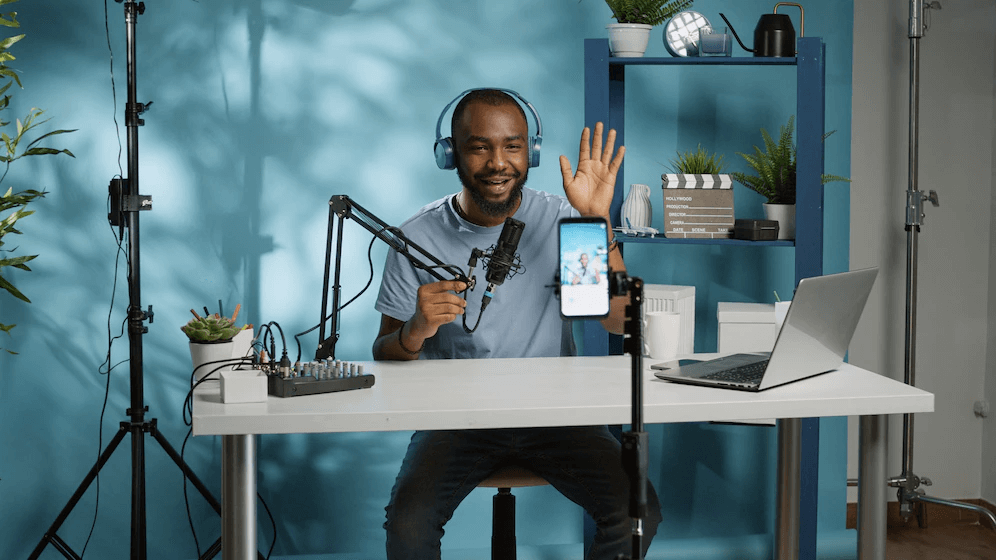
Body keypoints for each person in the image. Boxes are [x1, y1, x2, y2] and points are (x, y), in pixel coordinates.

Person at [372, 89, 662, 559]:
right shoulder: (417, 236)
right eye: (479, 146)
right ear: (451, 154)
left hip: (558, 417)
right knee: (407, 526)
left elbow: (617, 321)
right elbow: (384, 351)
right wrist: (415, 331)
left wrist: (596, 221)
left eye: (512, 145)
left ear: (532, 152)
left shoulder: (567, 220)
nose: (497, 162)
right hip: (456, 420)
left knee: (638, 510)